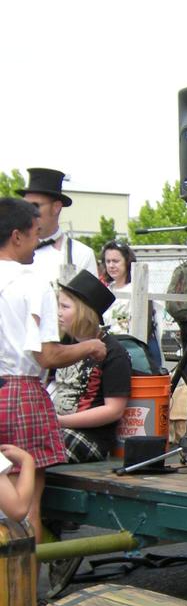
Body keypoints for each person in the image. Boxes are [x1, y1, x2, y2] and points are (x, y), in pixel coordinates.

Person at [0, 198, 107, 531]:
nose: (37, 242)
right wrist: (90, 346)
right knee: (27, 499)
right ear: (17, 236)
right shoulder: (31, 282)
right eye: (35, 234)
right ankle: (23, 582)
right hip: (19, 391)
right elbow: (46, 355)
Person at [51, 271, 131, 463]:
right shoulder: (63, 344)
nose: (58, 312)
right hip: (56, 426)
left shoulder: (113, 352)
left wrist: (59, 422)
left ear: (83, 311)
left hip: (90, 436)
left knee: (37, 455)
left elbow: (114, 410)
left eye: (65, 306)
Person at [16, 167, 96, 282]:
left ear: (56, 208)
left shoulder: (81, 254)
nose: (27, 212)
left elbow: (89, 299)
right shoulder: (10, 249)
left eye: (34, 206)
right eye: (24, 206)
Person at [100, 239, 163, 368]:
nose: (111, 265)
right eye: (108, 261)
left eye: (116, 261)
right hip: (112, 351)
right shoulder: (105, 290)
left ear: (127, 262)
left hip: (137, 351)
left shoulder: (140, 288)